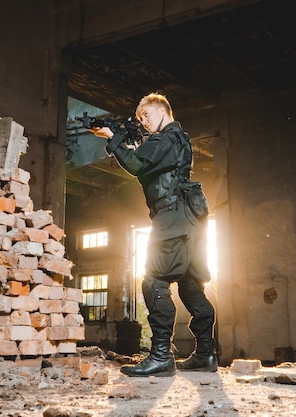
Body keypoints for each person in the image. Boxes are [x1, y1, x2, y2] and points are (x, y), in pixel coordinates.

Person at [89, 92, 217, 377]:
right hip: (189, 221)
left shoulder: (166, 138)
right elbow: (149, 166)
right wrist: (127, 144)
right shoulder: (177, 139)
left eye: (145, 115)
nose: (143, 122)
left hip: (172, 219)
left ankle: (161, 355)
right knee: (191, 286)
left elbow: (138, 166)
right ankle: (206, 355)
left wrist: (113, 138)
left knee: (154, 280)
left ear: (161, 111)